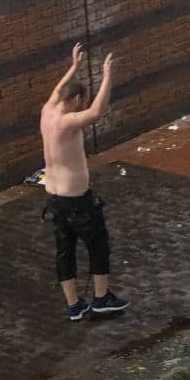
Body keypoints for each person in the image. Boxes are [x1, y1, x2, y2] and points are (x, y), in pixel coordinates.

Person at [40, 43, 128, 320]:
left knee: (64, 252)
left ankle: (74, 306)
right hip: (77, 200)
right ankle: (101, 299)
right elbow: (96, 112)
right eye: (82, 100)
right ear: (77, 99)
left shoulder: (47, 112)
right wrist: (107, 76)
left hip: (54, 199)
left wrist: (74, 67)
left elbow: (57, 89)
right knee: (98, 245)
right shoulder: (66, 122)